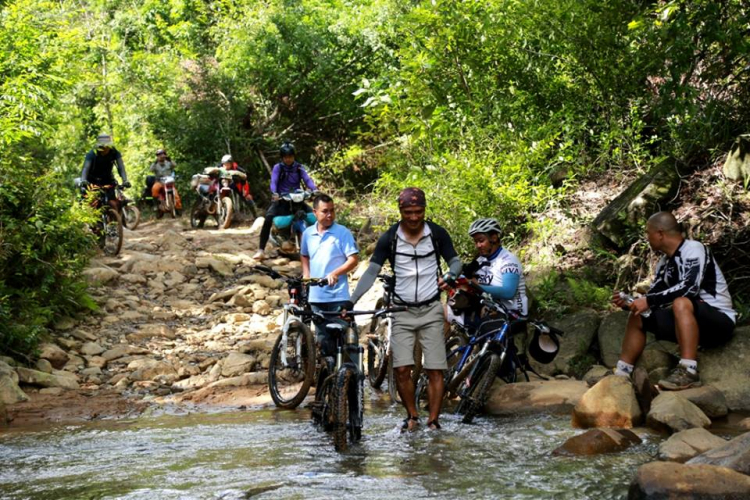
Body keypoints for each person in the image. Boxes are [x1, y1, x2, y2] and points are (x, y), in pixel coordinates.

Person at [344, 187, 462, 431]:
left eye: (419, 211)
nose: (414, 217)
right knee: (401, 370)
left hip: (431, 309)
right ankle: (412, 415)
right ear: (400, 211)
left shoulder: (437, 234)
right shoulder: (390, 238)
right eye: (408, 212)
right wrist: (352, 300)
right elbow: (372, 271)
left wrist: (451, 276)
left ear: (424, 210)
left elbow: (455, 261)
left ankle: (433, 421)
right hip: (401, 311)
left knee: (435, 369)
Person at [611, 211, 736, 390]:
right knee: (639, 315)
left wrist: (648, 300)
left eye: (648, 233)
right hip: (688, 322)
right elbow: (654, 297)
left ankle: (688, 371)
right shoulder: (664, 262)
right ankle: (622, 374)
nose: (647, 238)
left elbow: (689, 287)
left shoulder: (693, 249)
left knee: (681, 301)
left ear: (660, 234)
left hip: (718, 321)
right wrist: (630, 302)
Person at [300, 194, 359, 365]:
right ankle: (329, 380)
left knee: (346, 341)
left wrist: (336, 273)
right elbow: (304, 255)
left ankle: (352, 380)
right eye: (325, 211)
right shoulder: (308, 234)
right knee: (323, 341)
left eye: (332, 211)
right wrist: (306, 274)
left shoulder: (342, 233)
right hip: (316, 298)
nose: (330, 215)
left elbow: (353, 259)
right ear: (315, 212)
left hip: (338, 296)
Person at [448, 218, 528, 328]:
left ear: (494, 238)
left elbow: (508, 292)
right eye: (475, 242)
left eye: (481, 241)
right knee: (444, 310)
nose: (478, 245)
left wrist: (473, 285)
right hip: (491, 306)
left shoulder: (508, 260)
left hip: (512, 314)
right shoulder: (481, 259)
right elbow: (465, 275)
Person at [253, 142, 317, 260]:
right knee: (268, 219)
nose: (288, 159)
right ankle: (261, 250)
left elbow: (307, 180)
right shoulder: (278, 167)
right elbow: (274, 181)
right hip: (282, 199)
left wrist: (314, 189)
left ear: (294, 156)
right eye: (286, 157)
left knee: (316, 215)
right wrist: (275, 193)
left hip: (297, 199)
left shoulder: (298, 167)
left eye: (290, 156)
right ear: (282, 158)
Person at [80, 134, 131, 209]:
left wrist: (125, 180)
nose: (104, 148)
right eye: (102, 147)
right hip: (93, 181)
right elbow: (86, 168)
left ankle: (116, 218)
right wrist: (83, 180)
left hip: (108, 180)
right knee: (93, 205)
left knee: (113, 203)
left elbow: (121, 167)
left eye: (106, 146)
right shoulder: (92, 154)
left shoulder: (114, 152)